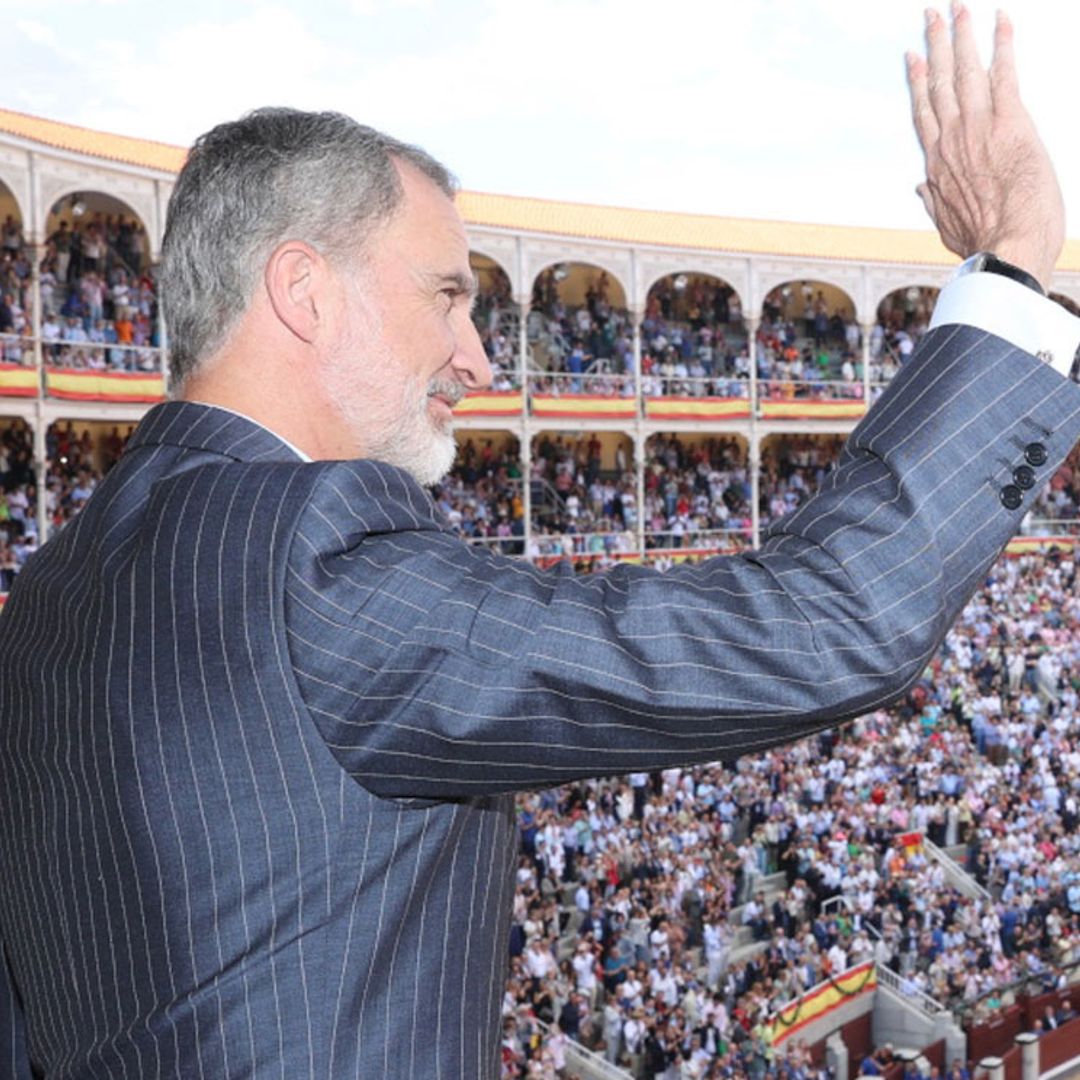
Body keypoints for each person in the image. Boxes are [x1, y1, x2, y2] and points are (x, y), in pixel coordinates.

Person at [2, 7, 1080, 1079]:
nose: (477, 358)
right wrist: (1017, 275)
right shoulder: (303, 553)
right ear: (304, 292)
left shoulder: (50, 590)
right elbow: (831, 619)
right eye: (446, 298)